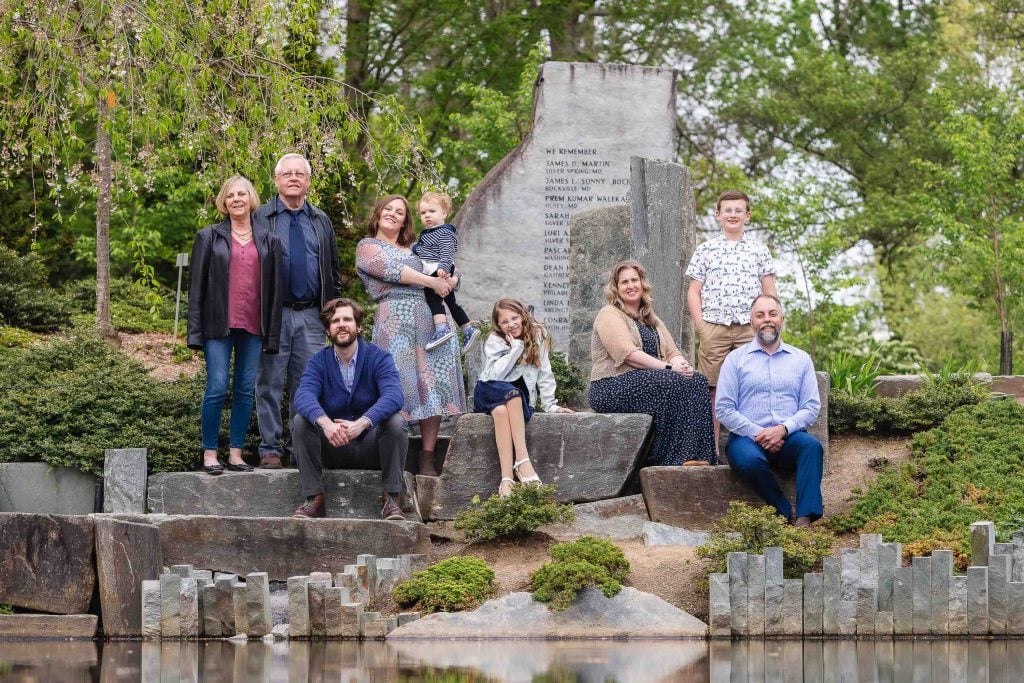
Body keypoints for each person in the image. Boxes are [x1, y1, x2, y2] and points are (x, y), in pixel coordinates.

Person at [355, 195, 466, 477]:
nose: (393, 214)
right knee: (397, 384)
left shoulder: (415, 248)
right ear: (378, 213)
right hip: (395, 321)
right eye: (388, 209)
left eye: (400, 212)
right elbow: (391, 270)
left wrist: (452, 280)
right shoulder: (368, 247)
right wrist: (432, 282)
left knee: (434, 384)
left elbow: (446, 264)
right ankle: (396, 454)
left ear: (406, 220)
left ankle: (428, 455)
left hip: (433, 319)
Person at [187, 175, 283, 475]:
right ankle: (210, 453)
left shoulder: (269, 239)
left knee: (244, 389)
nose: (237, 199)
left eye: (242, 194)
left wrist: (273, 335)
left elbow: (275, 292)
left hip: (254, 325)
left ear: (251, 199)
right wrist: (195, 332)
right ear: (224, 202)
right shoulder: (208, 237)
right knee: (216, 387)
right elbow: (196, 288)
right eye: (231, 196)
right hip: (218, 325)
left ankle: (237, 453)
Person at [254, 153, 342, 470]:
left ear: (307, 180)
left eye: (299, 174)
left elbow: (332, 269)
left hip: (311, 316)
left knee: (307, 385)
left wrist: (332, 312)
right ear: (276, 180)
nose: (293, 178)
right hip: (272, 314)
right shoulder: (260, 218)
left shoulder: (321, 221)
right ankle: (270, 449)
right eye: (287, 174)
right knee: (269, 382)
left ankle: (299, 448)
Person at [588, 260, 717, 467]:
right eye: (624, 282)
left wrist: (682, 366)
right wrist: (669, 368)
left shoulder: (650, 318)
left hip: (647, 380)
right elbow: (627, 354)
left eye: (634, 280)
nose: (631, 286)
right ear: (616, 288)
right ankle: (675, 459)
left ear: (642, 283)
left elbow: (673, 352)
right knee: (674, 383)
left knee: (697, 380)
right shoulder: (609, 314)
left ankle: (699, 457)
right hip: (611, 386)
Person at [290, 298, 408, 520]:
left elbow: (394, 395)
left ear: (359, 326)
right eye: (335, 321)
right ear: (328, 330)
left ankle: (392, 498)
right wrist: (326, 424)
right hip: (332, 447)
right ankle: (314, 498)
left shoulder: (378, 357)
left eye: (347, 319)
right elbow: (303, 395)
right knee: (300, 421)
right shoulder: (318, 362)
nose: (341, 324)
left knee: (396, 422)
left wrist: (361, 423)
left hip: (370, 446)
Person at [715, 294, 823, 526]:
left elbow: (811, 406)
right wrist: (760, 433)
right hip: (747, 438)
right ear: (751, 321)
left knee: (812, 447)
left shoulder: (801, 359)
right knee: (747, 461)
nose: (767, 319)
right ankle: (783, 510)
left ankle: (806, 516)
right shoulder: (735, 360)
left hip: (789, 437)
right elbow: (724, 408)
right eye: (760, 315)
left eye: (772, 314)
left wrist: (783, 429)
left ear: (782, 319)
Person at [686, 189, 777, 446]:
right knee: (711, 389)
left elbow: (769, 291)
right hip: (714, 327)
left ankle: (756, 442)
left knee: (754, 385)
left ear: (747, 215)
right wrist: (701, 326)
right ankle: (710, 447)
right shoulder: (706, 250)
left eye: (739, 210)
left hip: (750, 329)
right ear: (718, 215)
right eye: (728, 210)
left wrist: (771, 321)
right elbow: (694, 291)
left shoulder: (759, 250)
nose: (733, 214)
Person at [475, 298, 574, 497]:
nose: (511, 324)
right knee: (513, 395)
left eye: (514, 318)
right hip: (489, 390)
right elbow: (495, 376)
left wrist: (550, 405)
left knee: (503, 410)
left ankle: (506, 480)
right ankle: (522, 460)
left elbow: (545, 371)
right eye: (505, 322)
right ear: (498, 325)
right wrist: (516, 349)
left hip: (517, 399)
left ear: (523, 316)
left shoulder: (538, 335)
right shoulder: (495, 340)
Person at [412, 191, 480, 352]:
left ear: (444, 213)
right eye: (423, 213)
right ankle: (467, 329)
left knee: (432, 298)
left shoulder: (443, 232)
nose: (427, 215)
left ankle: (441, 329)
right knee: (451, 302)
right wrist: (415, 247)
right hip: (439, 268)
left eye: (432, 211)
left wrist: (443, 266)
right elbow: (423, 249)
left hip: (438, 268)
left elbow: (447, 251)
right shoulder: (430, 233)